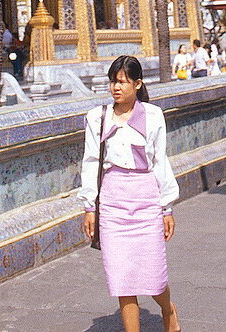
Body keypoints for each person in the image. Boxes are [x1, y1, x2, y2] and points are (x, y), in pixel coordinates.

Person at [79, 55, 180, 332]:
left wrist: (166, 208)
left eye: (122, 82)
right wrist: (90, 207)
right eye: (113, 81)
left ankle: (168, 310)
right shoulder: (96, 118)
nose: (116, 87)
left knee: (154, 274)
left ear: (137, 84)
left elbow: (160, 161)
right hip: (112, 203)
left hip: (145, 199)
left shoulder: (153, 115)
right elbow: (90, 162)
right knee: (122, 275)